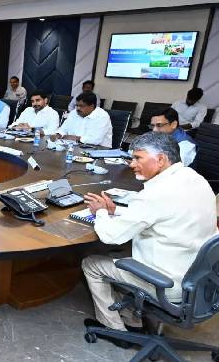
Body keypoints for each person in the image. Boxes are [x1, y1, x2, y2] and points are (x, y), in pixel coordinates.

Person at [81, 133, 217, 344]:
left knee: (92, 263)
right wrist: (115, 210)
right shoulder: (196, 179)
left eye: (137, 158)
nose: (131, 164)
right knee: (120, 256)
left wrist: (100, 212)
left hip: (168, 284)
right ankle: (134, 321)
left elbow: (111, 236)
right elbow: (160, 216)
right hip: (199, 280)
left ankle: (115, 330)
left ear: (161, 159)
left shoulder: (155, 194)